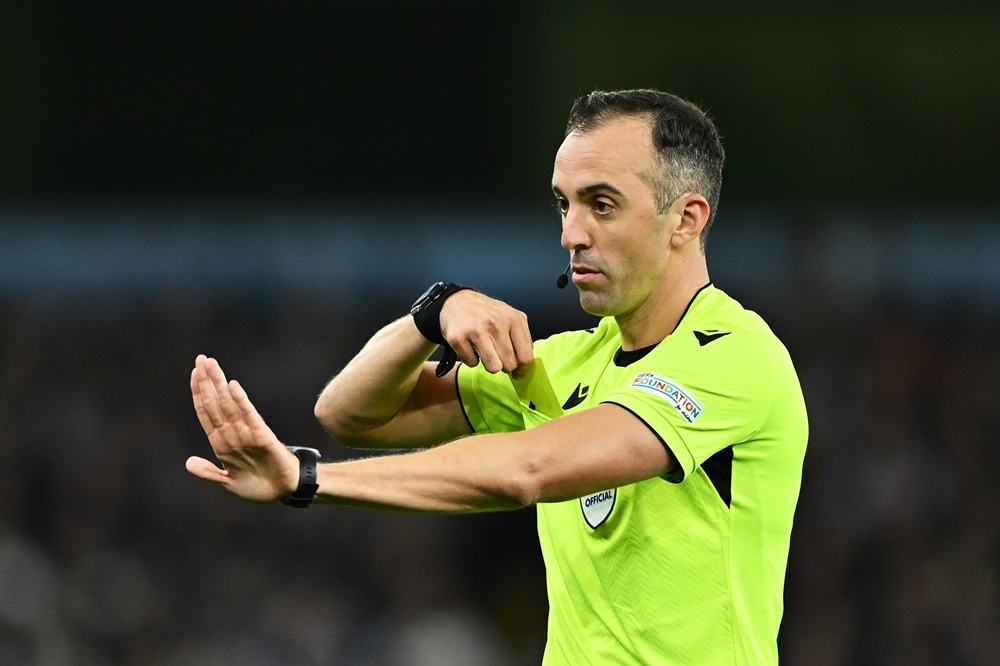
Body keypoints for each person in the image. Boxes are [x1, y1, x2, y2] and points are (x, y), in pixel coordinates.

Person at [187, 88, 808, 665]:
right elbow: (350, 413)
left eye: (602, 204)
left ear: (686, 219)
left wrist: (307, 477)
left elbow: (527, 469)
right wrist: (431, 313)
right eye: (564, 204)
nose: (570, 233)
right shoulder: (565, 363)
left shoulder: (734, 356)